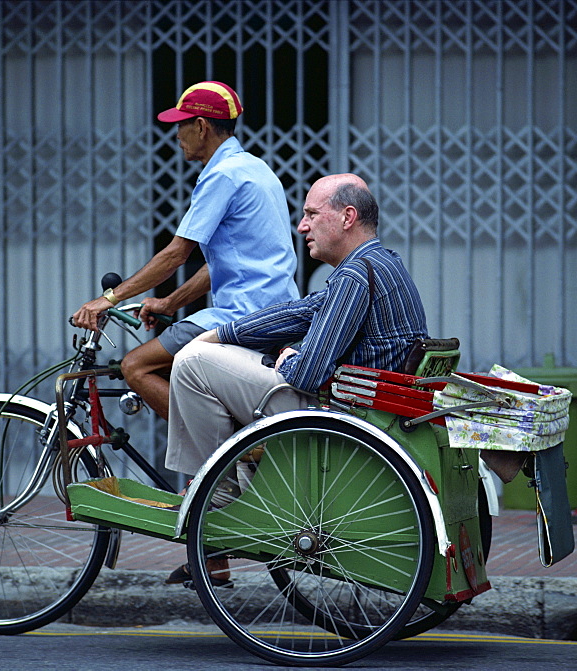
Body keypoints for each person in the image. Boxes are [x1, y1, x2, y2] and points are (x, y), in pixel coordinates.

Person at [162, 173, 429, 585]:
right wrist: (224, 333)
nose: (301, 226)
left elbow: (307, 374)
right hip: (363, 410)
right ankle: (232, 480)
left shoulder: (357, 276)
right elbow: (300, 313)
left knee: (194, 361)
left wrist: (289, 357)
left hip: (341, 415)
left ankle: (216, 493)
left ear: (347, 217)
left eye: (310, 214)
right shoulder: (379, 264)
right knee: (211, 348)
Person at [71, 81, 298, 419]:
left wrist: (109, 299)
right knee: (179, 371)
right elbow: (224, 264)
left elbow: (176, 253)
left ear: (201, 127)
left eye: (181, 123)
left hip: (240, 316)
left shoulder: (222, 175)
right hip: (274, 310)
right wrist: (168, 302)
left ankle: (220, 458)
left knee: (136, 367)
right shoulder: (256, 169)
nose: (176, 134)